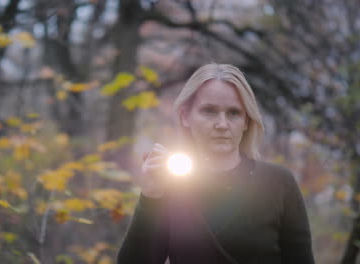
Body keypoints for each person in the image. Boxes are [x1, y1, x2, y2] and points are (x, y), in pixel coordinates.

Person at [116, 63, 315, 264]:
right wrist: (151, 196)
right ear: (186, 116)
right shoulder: (169, 184)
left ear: (246, 121)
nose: (222, 124)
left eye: (234, 113)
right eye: (209, 111)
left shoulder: (278, 183)